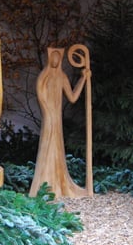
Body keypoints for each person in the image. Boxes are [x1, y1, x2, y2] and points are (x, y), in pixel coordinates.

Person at [29, 47, 91, 198]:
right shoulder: (44, 76)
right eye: (53, 57)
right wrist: (47, 113)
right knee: (47, 145)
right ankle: (45, 182)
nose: (56, 60)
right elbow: (41, 97)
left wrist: (83, 78)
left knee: (57, 147)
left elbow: (73, 97)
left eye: (58, 58)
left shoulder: (62, 76)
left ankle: (59, 181)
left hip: (56, 119)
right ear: (50, 58)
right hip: (49, 118)